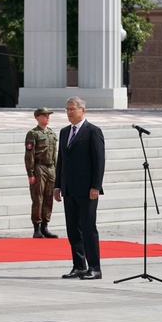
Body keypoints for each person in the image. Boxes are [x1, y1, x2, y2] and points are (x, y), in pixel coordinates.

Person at [54, 96, 105, 280]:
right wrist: (58, 185)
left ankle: (94, 267)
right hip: (68, 189)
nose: (69, 112)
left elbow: (99, 161)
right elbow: (61, 160)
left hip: (87, 190)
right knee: (73, 230)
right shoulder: (64, 132)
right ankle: (79, 265)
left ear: (83, 110)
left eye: (72, 109)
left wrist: (96, 186)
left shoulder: (93, 131)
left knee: (88, 228)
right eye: (67, 109)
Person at [24, 107, 58, 238]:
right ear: (37, 118)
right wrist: (30, 173)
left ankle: (45, 226)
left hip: (51, 168)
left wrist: (57, 170)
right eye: (44, 116)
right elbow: (29, 155)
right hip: (39, 168)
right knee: (38, 198)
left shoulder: (51, 134)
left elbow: (55, 154)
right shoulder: (33, 133)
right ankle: (37, 228)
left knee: (49, 197)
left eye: (48, 115)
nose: (47, 117)